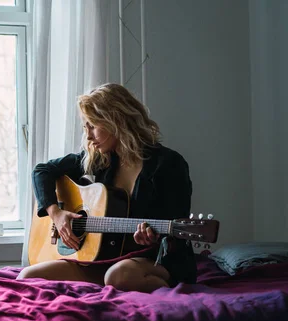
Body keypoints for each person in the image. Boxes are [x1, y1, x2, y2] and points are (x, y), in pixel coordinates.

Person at [17, 83, 196, 292]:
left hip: (157, 261)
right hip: (108, 260)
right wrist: (56, 213)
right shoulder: (100, 159)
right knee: (28, 276)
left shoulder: (168, 164)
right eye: (86, 127)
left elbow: (176, 230)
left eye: (92, 125)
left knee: (119, 275)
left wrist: (153, 238)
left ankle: (170, 289)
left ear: (116, 121)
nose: (89, 136)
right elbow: (42, 171)